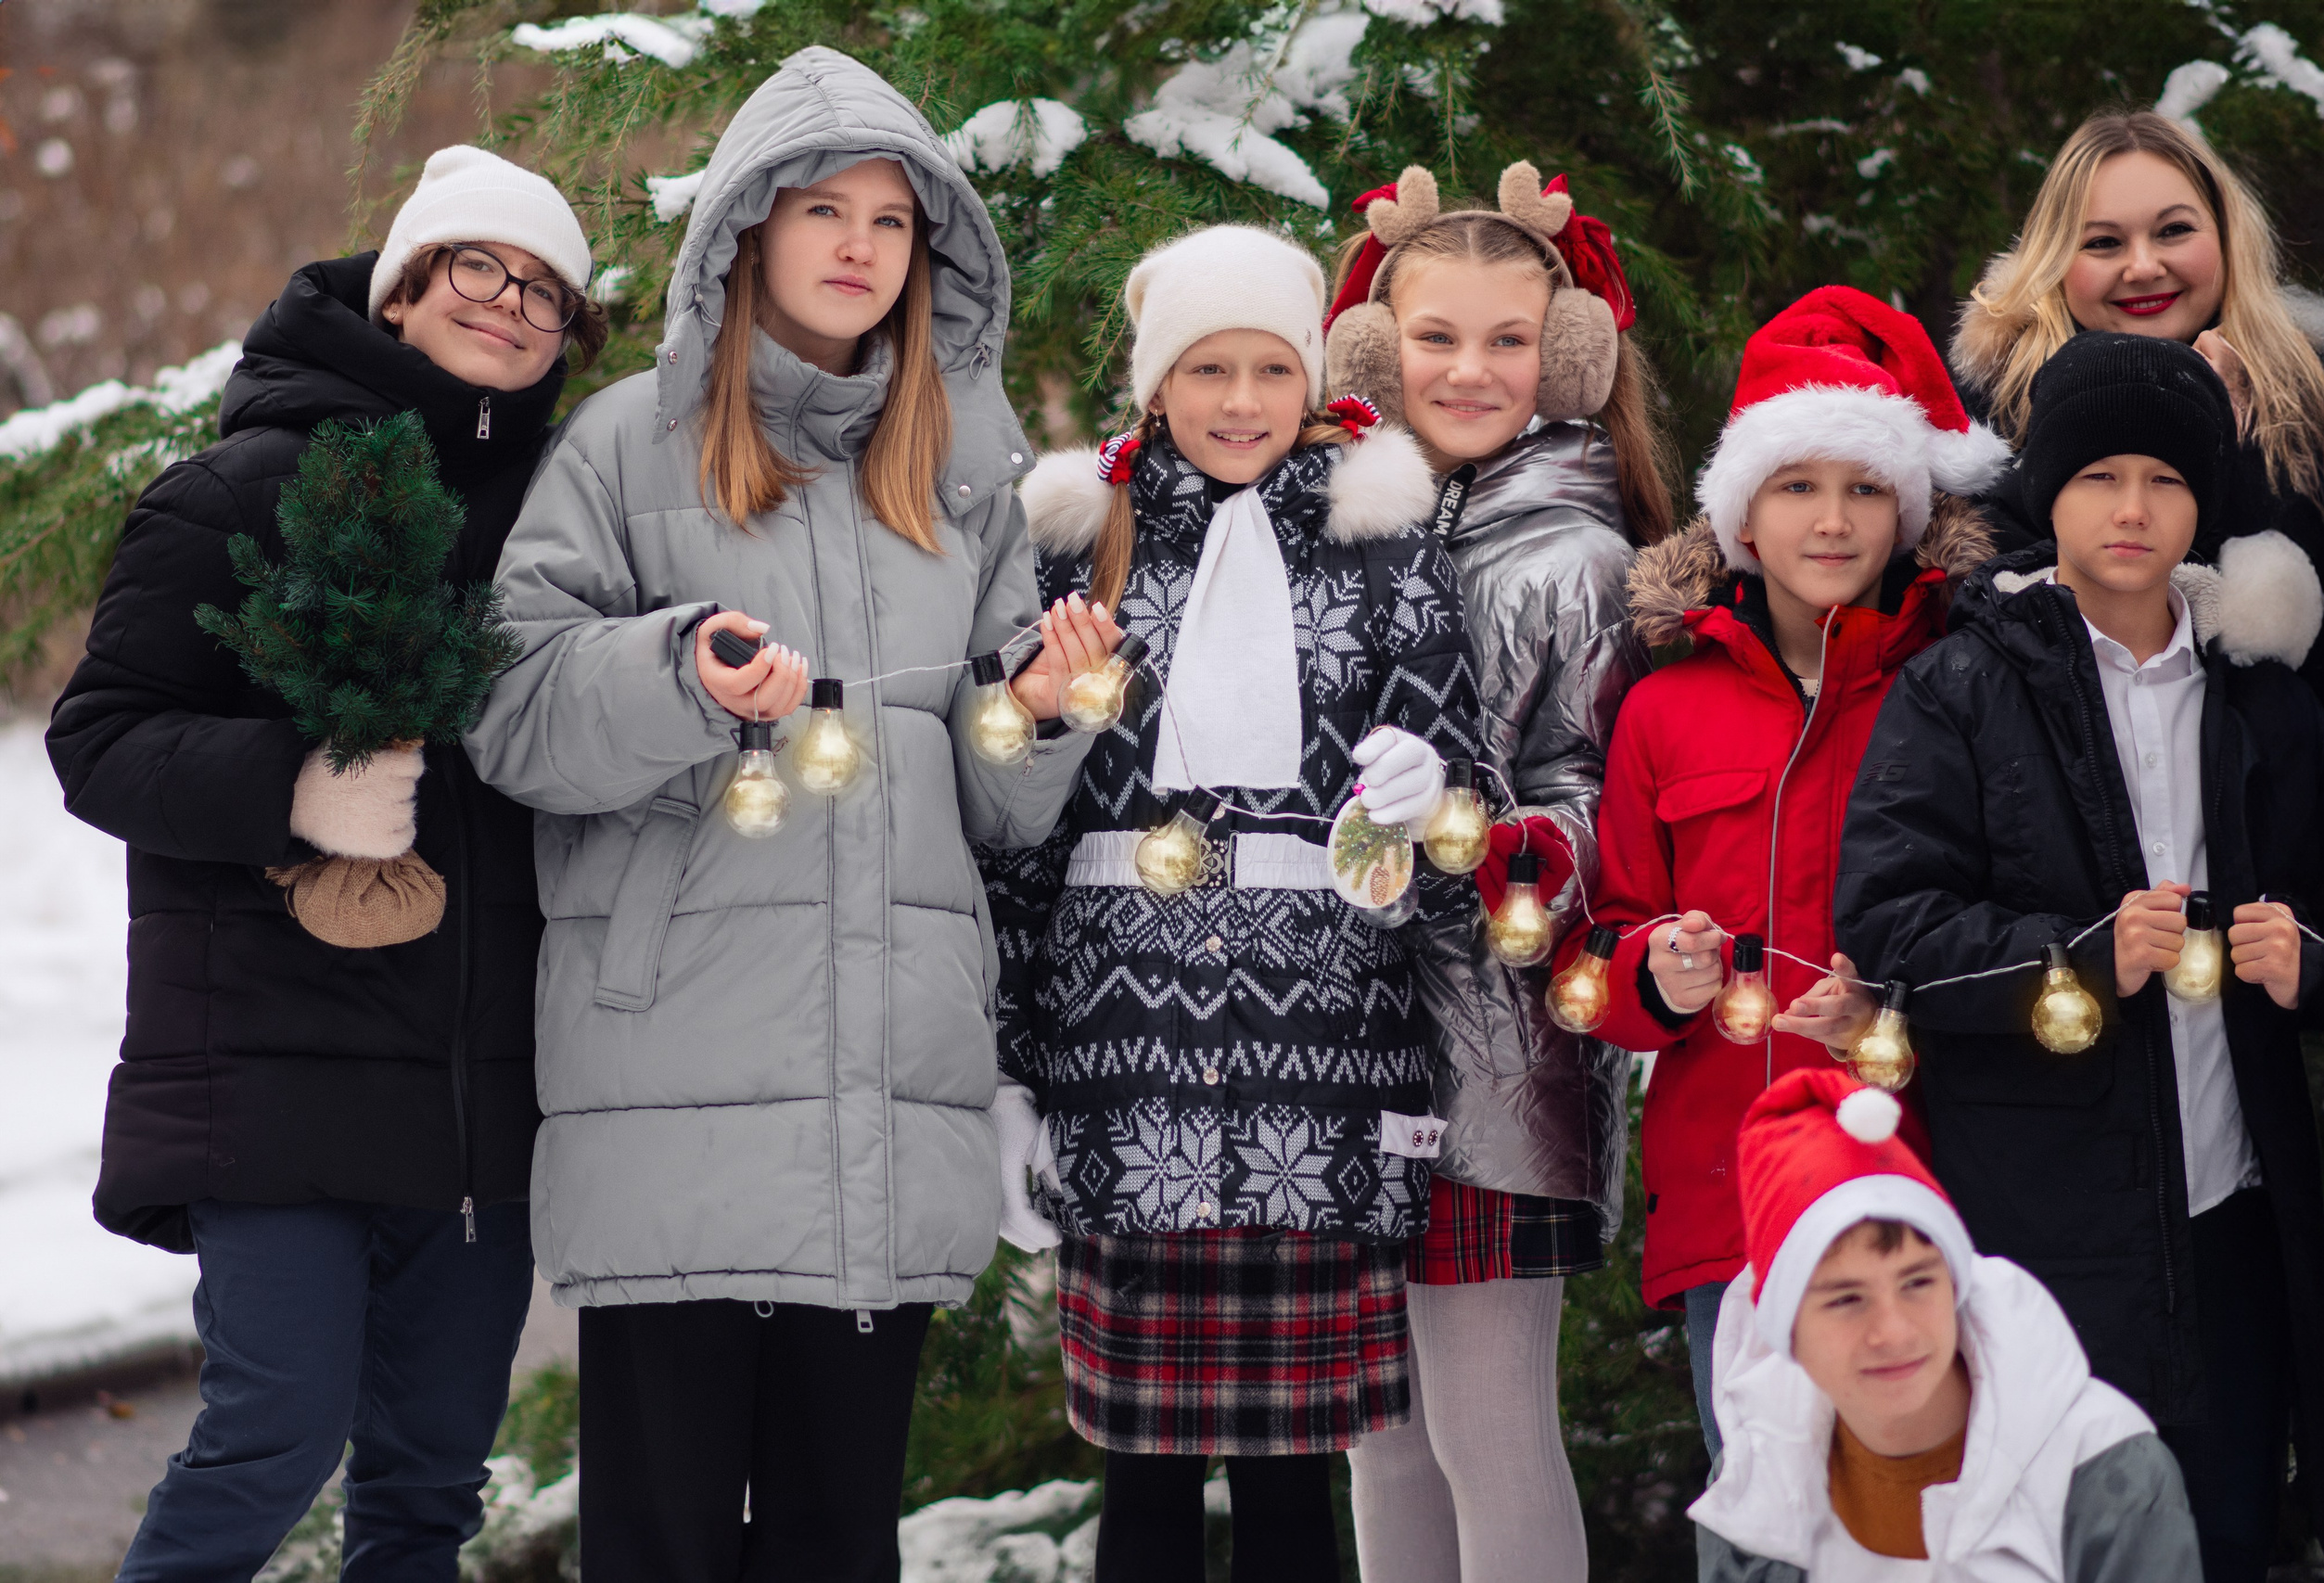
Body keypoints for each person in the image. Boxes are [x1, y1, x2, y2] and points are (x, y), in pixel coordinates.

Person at [462, 50, 1114, 1583]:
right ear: (749, 229)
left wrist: (1048, 704)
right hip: (675, 1068)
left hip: (883, 1091)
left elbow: (998, 807)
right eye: (824, 208)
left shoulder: (958, 468)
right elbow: (513, 711)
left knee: (836, 1545)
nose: (858, 244)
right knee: (663, 1544)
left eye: (894, 220)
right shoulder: (629, 441)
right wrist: (680, 673)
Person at [46, 147, 601, 1578]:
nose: (512, 303)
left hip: (480, 1096)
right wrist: (296, 787)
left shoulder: (566, 520)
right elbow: (100, 741)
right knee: (271, 1436)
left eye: (549, 289)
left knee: (426, 1485)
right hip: (278, 1068)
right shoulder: (240, 489)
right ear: (406, 285)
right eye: (480, 265)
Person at [1835, 331, 2324, 1583]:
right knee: (2063, 1544)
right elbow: (1893, 921)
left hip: (2236, 1210)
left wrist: (2321, 962)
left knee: (2232, 1534)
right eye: (2099, 477)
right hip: (2045, 1225)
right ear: (2050, 494)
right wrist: (2076, 957)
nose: (2134, 509)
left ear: (2204, 502)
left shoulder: (2259, 695)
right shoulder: (1962, 686)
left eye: (2167, 479)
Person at [986, 222, 1480, 1583]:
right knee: (1140, 1487)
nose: (1244, 402)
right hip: (1123, 1060)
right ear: (1156, 383)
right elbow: (1014, 835)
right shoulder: (1075, 554)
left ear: (1314, 378)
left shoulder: (1387, 549)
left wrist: (1428, 788)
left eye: (1273, 367)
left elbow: (1462, 830)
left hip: (1322, 1071)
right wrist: (1010, 1069)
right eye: (1209, 369)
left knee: (1291, 1493)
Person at [1566, 286, 2004, 1460]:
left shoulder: (1954, 691)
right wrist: (1655, 975)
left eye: (1866, 487)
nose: (1832, 519)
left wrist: (1891, 1008)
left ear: (1906, 515)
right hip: (1733, 1196)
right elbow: (1598, 945)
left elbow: (1999, 924)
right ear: (1742, 517)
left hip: (1912, 1181)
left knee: (1915, 1507)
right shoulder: (1663, 709)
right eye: (1797, 485)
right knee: (1760, 1505)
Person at [1319, 158, 1666, 1581]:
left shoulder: (1574, 550)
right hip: (1341, 1040)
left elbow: (1595, 797)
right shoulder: (1336, 528)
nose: (1469, 368)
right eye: (1436, 335)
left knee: (1486, 1423)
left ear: (1566, 356)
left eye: (1509, 339)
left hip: (1493, 1051)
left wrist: (1489, 831)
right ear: (1370, 350)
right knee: (1381, 1430)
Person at [1952, 108, 2324, 787]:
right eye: (2103, 243)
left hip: (2314, 835)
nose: (2144, 267)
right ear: (2058, 258)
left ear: (2227, 236)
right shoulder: (1993, 424)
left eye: (2174, 231)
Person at [1692, 1067, 2203, 1580]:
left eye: (1918, 1283)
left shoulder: (2102, 1471)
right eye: (1847, 1299)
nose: (1893, 1331)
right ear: (1786, 1330)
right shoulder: (1751, 1486)